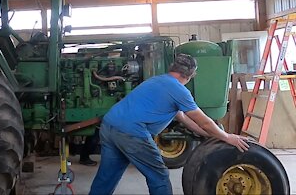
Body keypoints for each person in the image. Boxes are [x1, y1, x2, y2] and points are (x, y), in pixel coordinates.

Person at [89, 54, 249, 195]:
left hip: (109, 125)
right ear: (191, 74)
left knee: (108, 174)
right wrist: (227, 137)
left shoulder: (157, 80)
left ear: (172, 68)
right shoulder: (179, 90)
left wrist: (210, 134)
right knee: (159, 175)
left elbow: (185, 119)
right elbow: (204, 121)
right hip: (131, 132)